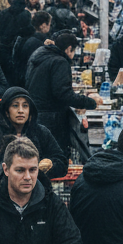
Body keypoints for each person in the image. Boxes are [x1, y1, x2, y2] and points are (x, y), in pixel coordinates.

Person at [25, 30, 98, 158]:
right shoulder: (60, 61)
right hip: (52, 119)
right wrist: (90, 102)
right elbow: (64, 94)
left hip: (37, 114)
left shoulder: (39, 55)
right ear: (69, 48)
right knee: (55, 157)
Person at [0, 86, 67, 189]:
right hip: (3, 194)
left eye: (25, 106)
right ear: (6, 111)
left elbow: (61, 162)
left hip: (37, 193)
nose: (21, 110)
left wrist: (48, 166)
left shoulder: (40, 132)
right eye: (15, 106)